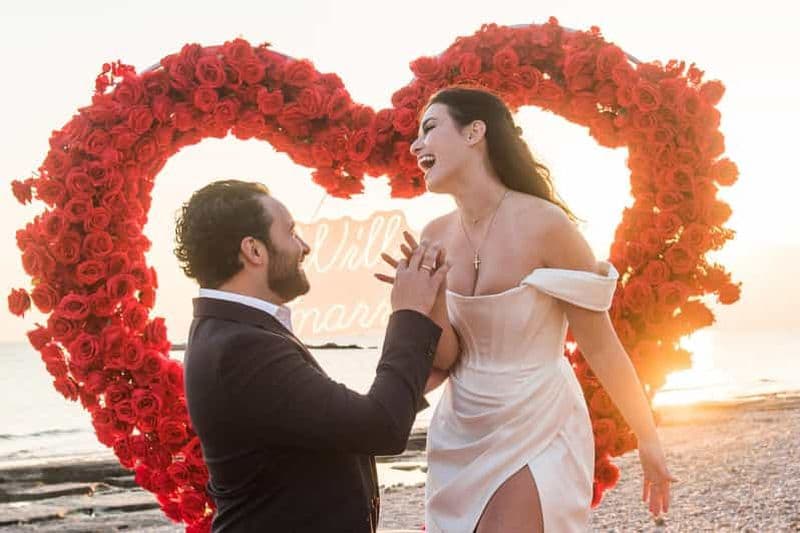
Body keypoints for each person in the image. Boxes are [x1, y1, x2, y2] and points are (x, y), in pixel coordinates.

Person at [378, 87, 675, 532]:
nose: (416, 145)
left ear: (476, 132)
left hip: (539, 421)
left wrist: (649, 439)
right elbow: (447, 357)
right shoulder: (434, 234)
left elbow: (602, 345)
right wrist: (430, 302)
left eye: (430, 127)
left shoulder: (547, 225)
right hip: (462, 430)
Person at [175, 179, 450, 532]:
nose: (304, 247)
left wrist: (409, 385)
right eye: (291, 233)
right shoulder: (242, 346)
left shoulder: (229, 332)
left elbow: (331, 428)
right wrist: (408, 311)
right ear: (253, 251)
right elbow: (381, 430)